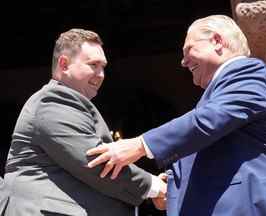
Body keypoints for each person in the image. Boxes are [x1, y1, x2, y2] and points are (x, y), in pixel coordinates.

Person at [86, 15, 266, 216]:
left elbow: (207, 121)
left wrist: (140, 145)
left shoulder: (248, 71)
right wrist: (172, 186)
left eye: (188, 50)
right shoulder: (220, 92)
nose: (183, 62)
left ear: (217, 41)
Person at [0, 28, 166, 215]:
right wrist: (155, 187)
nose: (101, 74)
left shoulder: (67, 102)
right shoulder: (53, 100)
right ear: (64, 64)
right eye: (93, 64)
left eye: (103, 66)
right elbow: (96, 162)